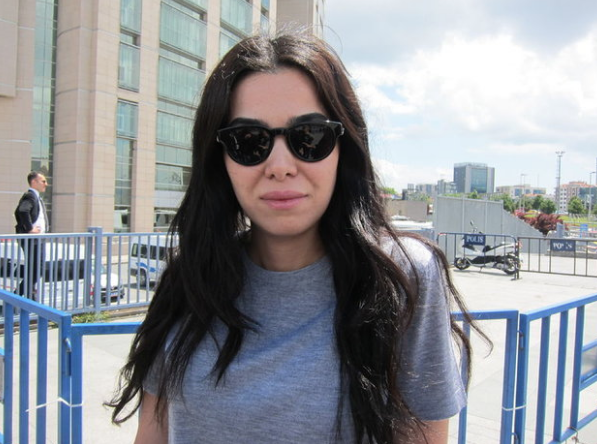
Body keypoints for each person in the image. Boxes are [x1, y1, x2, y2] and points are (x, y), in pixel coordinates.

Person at [109, 32, 483, 444]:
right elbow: (153, 431)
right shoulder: (189, 278)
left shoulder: (402, 277)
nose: (280, 165)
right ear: (220, 160)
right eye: (249, 142)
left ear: (344, 148)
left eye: (310, 136)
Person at [14, 171, 49, 299]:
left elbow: (18, 211)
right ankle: (16, 297)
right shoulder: (30, 196)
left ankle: (22, 297)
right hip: (32, 240)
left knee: (35, 271)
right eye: (43, 181)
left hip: (37, 239)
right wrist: (29, 228)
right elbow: (22, 211)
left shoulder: (35, 196)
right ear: (34, 182)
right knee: (36, 270)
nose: (46, 184)